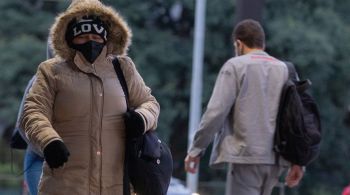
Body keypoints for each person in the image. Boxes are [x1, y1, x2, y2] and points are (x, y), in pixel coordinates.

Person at [20, 0, 160, 194]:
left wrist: (142, 118)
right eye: (83, 36)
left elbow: (150, 102)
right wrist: (48, 140)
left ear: (106, 38)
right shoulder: (50, 71)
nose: (90, 41)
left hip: (116, 186)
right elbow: (33, 111)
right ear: (69, 37)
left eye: (95, 35)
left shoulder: (123, 68)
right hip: (65, 186)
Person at [184, 19, 304, 195]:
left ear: (239, 44)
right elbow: (297, 118)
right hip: (276, 159)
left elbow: (215, 113)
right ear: (263, 43)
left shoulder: (235, 66)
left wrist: (196, 149)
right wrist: (298, 161)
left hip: (245, 156)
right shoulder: (285, 69)